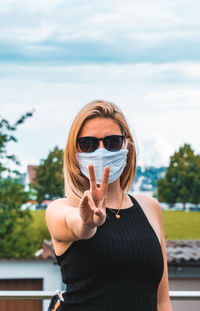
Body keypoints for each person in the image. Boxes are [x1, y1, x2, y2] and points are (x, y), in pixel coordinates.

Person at [46, 100, 172, 311]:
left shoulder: (150, 208)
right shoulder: (61, 209)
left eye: (112, 142)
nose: (101, 150)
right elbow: (77, 225)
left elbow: (162, 301)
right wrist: (87, 223)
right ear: (74, 152)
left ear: (127, 146)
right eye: (88, 144)